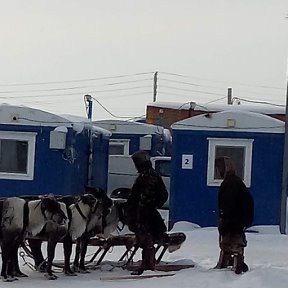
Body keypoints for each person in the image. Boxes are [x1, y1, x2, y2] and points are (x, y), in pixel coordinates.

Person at [126, 150, 168, 275]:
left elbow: (145, 197)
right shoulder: (146, 175)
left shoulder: (149, 176)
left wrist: (140, 212)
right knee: (143, 238)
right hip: (145, 212)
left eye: (136, 163)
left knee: (146, 238)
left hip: (146, 213)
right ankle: (147, 262)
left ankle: (147, 264)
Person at [214, 156, 254, 274]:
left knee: (232, 242)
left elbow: (229, 205)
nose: (217, 171)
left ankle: (234, 264)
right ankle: (232, 263)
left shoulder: (230, 184)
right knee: (233, 242)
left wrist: (225, 220)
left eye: (219, 168)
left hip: (234, 220)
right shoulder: (235, 182)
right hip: (239, 219)